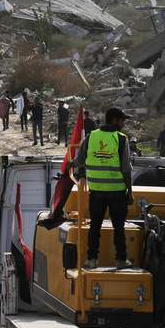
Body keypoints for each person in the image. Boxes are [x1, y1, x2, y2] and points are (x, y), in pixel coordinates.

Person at [65, 107, 134, 270]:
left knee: (95, 226)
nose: (124, 124)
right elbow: (126, 169)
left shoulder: (91, 137)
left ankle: (92, 260)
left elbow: (80, 160)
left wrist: (70, 164)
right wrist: (130, 193)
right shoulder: (121, 139)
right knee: (119, 227)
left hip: (96, 192)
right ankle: (121, 260)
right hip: (116, 192)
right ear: (114, 121)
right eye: (122, 121)